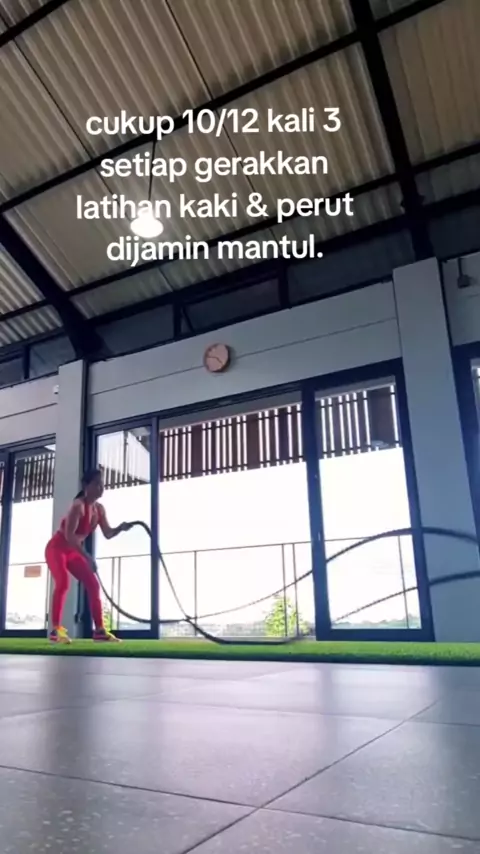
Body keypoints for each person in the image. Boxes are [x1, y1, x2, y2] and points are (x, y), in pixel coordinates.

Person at [45, 468, 132, 644]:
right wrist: (87, 557)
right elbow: (69, 536)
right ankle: (56, 631)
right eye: (97, 484)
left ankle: (99, 631)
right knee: (63, 583)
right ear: (86, 485)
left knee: (93, 584)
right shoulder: (78, 506)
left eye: (102, 484)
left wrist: (120, 528)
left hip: (73, 551)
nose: (101, 487)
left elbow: (108, 533)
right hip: (57, 549)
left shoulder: (99, 509)